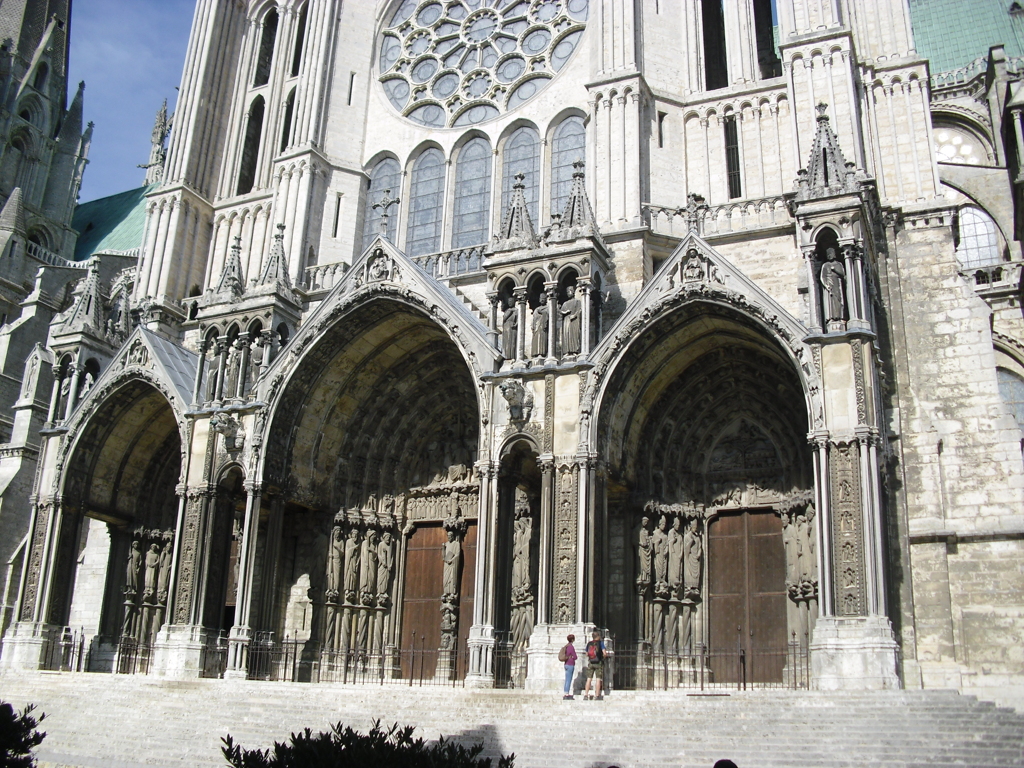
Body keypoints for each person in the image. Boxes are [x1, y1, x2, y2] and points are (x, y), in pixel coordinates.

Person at [583, 630, 609, 700]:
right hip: (598, 662)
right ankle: (597, 695)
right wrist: (604, 657)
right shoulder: (600, 643)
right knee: (598, 679)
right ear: (598, 636)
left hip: (591, 663)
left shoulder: (589, 643)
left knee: (589, 679)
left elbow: (586, 653)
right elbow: (604, 653)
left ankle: (586, 695)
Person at [559, 633, 577, 700]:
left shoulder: (566, 646)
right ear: (572, 639)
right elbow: (575, 656)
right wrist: (573, 657)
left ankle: (565, 692)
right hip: (570, 664)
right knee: (569, 679)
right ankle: (566, 693)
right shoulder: (571, 647)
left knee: (567, 679)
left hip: (566, 664)